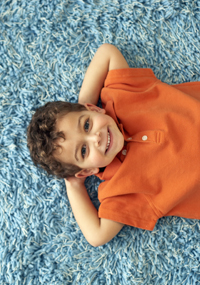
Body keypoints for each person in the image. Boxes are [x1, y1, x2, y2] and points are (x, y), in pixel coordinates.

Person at [27, 44, 200, 247]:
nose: (95, 138)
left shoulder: (121, 95)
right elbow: (96, 236)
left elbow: (106, 52)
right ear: (88, 170)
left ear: (93, 109)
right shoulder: (120, 191)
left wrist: (84, 105)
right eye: (83, 151)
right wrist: (73, 185)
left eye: (86, 125)